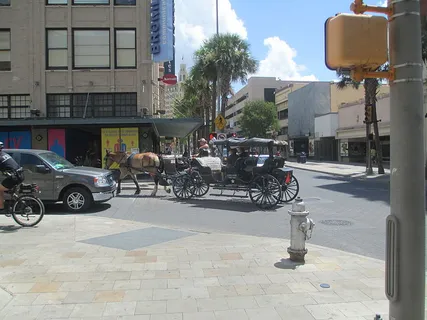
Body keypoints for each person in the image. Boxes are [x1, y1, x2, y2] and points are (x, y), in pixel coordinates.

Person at [0, 142, 24, 214]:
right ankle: (16, 200)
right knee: (3, 188)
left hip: (14, 177)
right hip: (20, 175)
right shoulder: (4, 154)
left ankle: (1, 207)